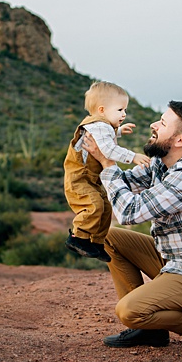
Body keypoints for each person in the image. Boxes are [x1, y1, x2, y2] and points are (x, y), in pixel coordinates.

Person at [84, 100, 182, 359]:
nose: (153, 125)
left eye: (163, 123)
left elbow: (129, 212)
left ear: (180, 139)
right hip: (177, 261)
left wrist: (109, 164)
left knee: (128, 312)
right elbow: (124, 183)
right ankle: (150, 331)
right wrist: (103, 149)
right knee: (108, 238)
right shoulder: (163, 162)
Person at [62, 81, 148, 261]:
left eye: (125, 110)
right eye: (120, 110)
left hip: (91, 179)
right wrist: (132, 157)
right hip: (80, 178)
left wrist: (119, 131)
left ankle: (97, 242)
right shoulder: (98, 126)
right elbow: (108, 150)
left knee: (106, 207)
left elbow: (104, 137)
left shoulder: (102, 126)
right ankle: (78, 237)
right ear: (101, 110)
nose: (124, 114)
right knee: (94, 205)